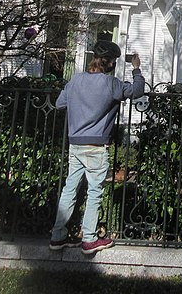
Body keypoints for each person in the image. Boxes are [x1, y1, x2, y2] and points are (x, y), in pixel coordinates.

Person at [49, 42, 145, 255]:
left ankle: (58, 236)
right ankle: (89, 239)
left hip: (75, 144)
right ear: (110, 62)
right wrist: (136, 68)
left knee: (69, 190)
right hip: (96, 146)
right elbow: (137, 90)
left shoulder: (76, 80)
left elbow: (59, 103)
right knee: (94, 192)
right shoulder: (111, 84)